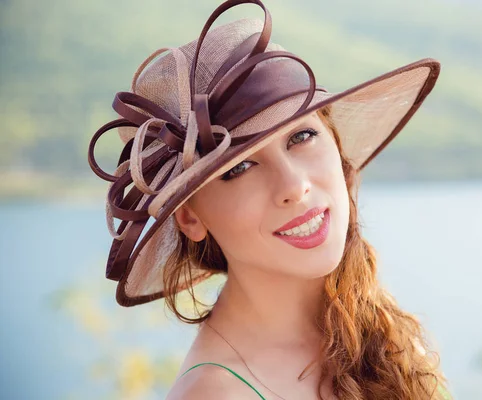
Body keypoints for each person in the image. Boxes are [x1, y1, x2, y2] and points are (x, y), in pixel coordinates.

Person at [88, 0, 449, 398]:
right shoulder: (215, 393)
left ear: (336, 144)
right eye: (239, 169)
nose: (294, 186)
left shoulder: (380, 330)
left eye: (301, 136)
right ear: (190, 217)